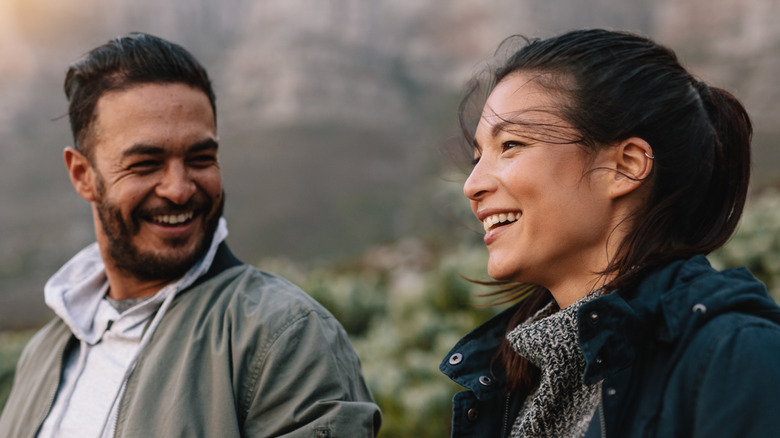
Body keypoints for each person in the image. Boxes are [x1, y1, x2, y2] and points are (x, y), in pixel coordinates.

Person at [0, 33, 381, 438]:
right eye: (146, 164)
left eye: (201, 158)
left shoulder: (285, 335)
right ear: (82, 175)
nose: (179, 188)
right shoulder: (44, 351)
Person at [439, 29, 780, 438]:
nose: (472, 186)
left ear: (625, 166)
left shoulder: (737, 359)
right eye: (477, 158)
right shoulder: (514, 385)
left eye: (511, 144)